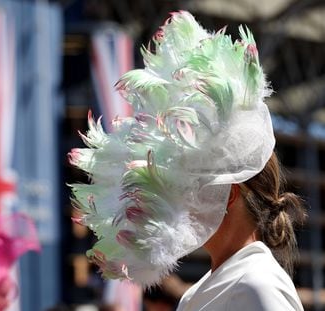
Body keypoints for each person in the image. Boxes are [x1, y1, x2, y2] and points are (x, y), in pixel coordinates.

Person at [69, 9, 305, 311]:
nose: (177, 201)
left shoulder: (257, 286)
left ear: (229, 194)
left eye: (187, 187)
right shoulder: (206, 290)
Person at [176, 153, 306, 310]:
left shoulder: (258, 285)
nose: (185, 201)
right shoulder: (194, 295)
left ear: (227, 194)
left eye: (195, 187)